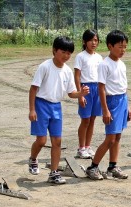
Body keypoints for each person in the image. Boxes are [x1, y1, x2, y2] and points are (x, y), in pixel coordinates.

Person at [28, 36, 89, 184]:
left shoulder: (67, 71)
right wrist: (32, 110)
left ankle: (53, 173)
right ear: (54, 50)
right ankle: (33, 158)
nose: (66, 56)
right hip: (41, 105)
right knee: (41, 141)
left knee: (57, 141)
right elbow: (33, 89)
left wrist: (80, 94)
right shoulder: (45, 67)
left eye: (69, 53)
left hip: (56, 107)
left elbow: (70, 93)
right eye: (63, 52)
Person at [85, 30, 131, 180]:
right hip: (111, 102)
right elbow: (101, 88)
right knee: (110, 138)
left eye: (125, 47)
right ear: (110, 46)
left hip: (122, 101)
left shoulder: (122, 64)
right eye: (120, 46)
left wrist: (127, 107)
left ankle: (112, 166)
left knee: (117, 137)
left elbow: (123, 87)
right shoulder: (105, 64)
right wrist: (105, 109)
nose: (123, 50)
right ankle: (93, 167)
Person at [73, 29, 103, 159]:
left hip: (97, 88)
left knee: (92, 119)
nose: (93, 42)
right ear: (84, 42)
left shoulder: (99, 57)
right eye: (91, 40)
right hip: (86, 88)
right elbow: (77, 76)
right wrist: (80, 94)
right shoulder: (80, 56)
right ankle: (81, 148)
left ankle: (88, 146)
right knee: (85, 119)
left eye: (96, 40)